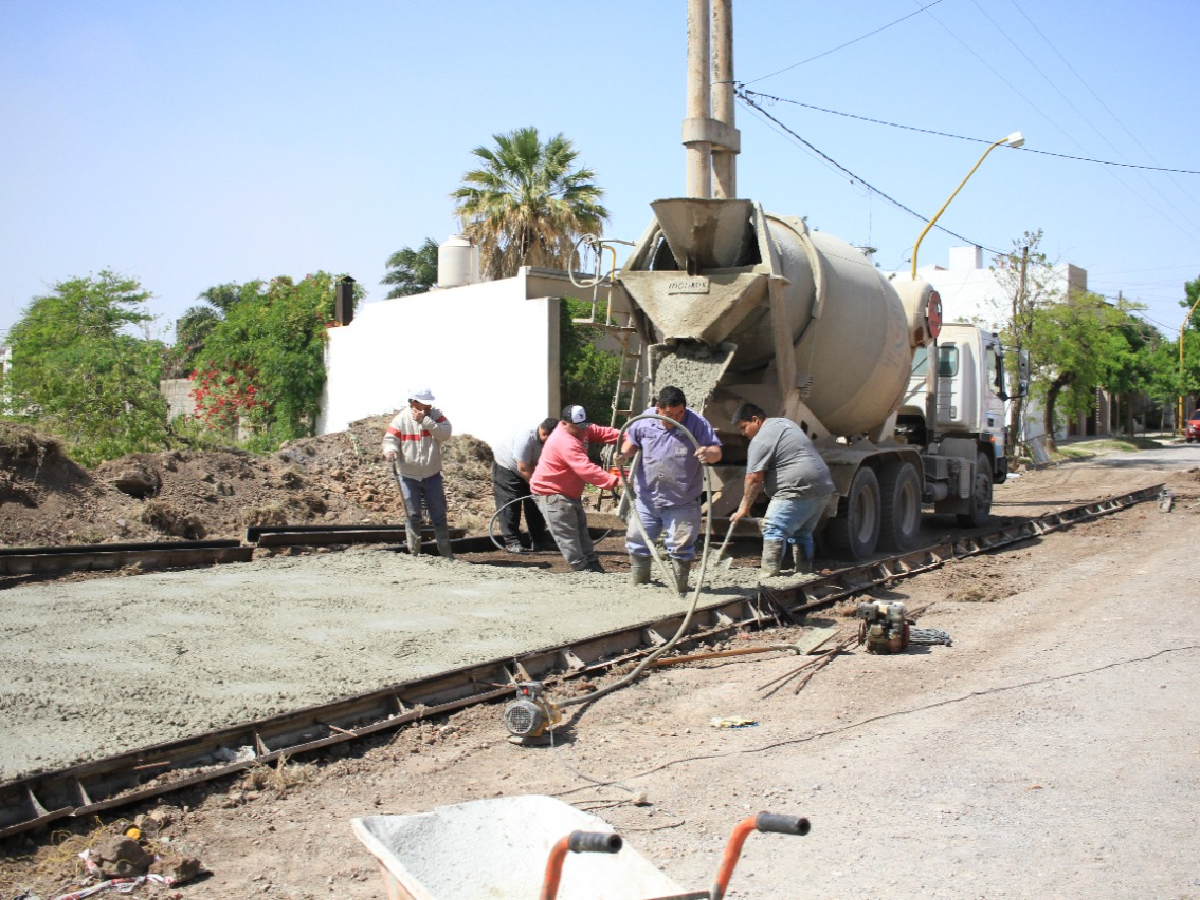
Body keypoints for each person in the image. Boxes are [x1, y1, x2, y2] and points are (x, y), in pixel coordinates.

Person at [620, 385, 722, 592]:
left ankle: (680, 588)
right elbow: (631, 443)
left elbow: (716, 451)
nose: (676, 418)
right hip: (647, 498)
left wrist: (707, 454)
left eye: (680, 413)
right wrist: (623, 455)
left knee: (681, 545)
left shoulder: (696, 422)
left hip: (682, 500)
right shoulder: (643, 421)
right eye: (670, 414)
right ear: (658, 408)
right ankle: (641, 583)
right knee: (638, 540)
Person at [729, 402, 835, 577]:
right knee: (802, 531)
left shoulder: (761, 438)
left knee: (773, 527)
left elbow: (754, 477)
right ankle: (804, 573)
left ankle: (770, 574)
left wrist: (744, 507)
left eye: (744, 427)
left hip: (797, 486)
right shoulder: (785, 424)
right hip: (822, 487)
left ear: (755, 420)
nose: (743, 434)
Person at [530, 404, 620, 573]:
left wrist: (626, 436)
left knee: (581, 533)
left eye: (584, 426)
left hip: (569, 492)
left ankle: (593, 566)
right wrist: (615, 481)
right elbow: (585, 468)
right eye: (577, 427)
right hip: (552, 493)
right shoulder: (564, 441)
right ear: (564, 424)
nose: (582, 431)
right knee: (568, 537)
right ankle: (581, 571)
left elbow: (600, 432)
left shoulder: (581, 430)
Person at [382, 387, 454, 559]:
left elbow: (445, 434)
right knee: (412, 515)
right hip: (408, 475)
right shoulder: (401, 420)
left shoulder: (436, 415)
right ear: (413, 402)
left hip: (432, 474)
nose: (427, 407)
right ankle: (414, 554)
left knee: (438, 514)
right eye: (424, 403)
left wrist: (427, 422)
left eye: (429, 404)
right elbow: (390, 440)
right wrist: (391, 450)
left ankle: (446, 554)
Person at [492, 417, 558, 553]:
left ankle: (539, 541)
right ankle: (512, 542)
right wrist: (538, 487)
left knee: (537, 503)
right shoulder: (526, 437)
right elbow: (522, 468)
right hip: (508, 466)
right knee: (511, 502)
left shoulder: (555, 437)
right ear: (544, 434)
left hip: (533, 466)